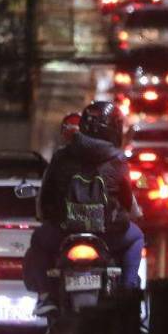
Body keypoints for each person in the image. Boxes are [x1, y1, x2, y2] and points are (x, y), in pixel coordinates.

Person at [24, 100, 144, 315]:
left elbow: (46, 196)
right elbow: (127, 200)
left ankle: (45, 296)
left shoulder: (62, 155)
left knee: (38, 241)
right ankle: (128, 292)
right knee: (136, 237)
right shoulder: (117, 159)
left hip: (64, 232)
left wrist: (49, 216)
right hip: (108, 234)